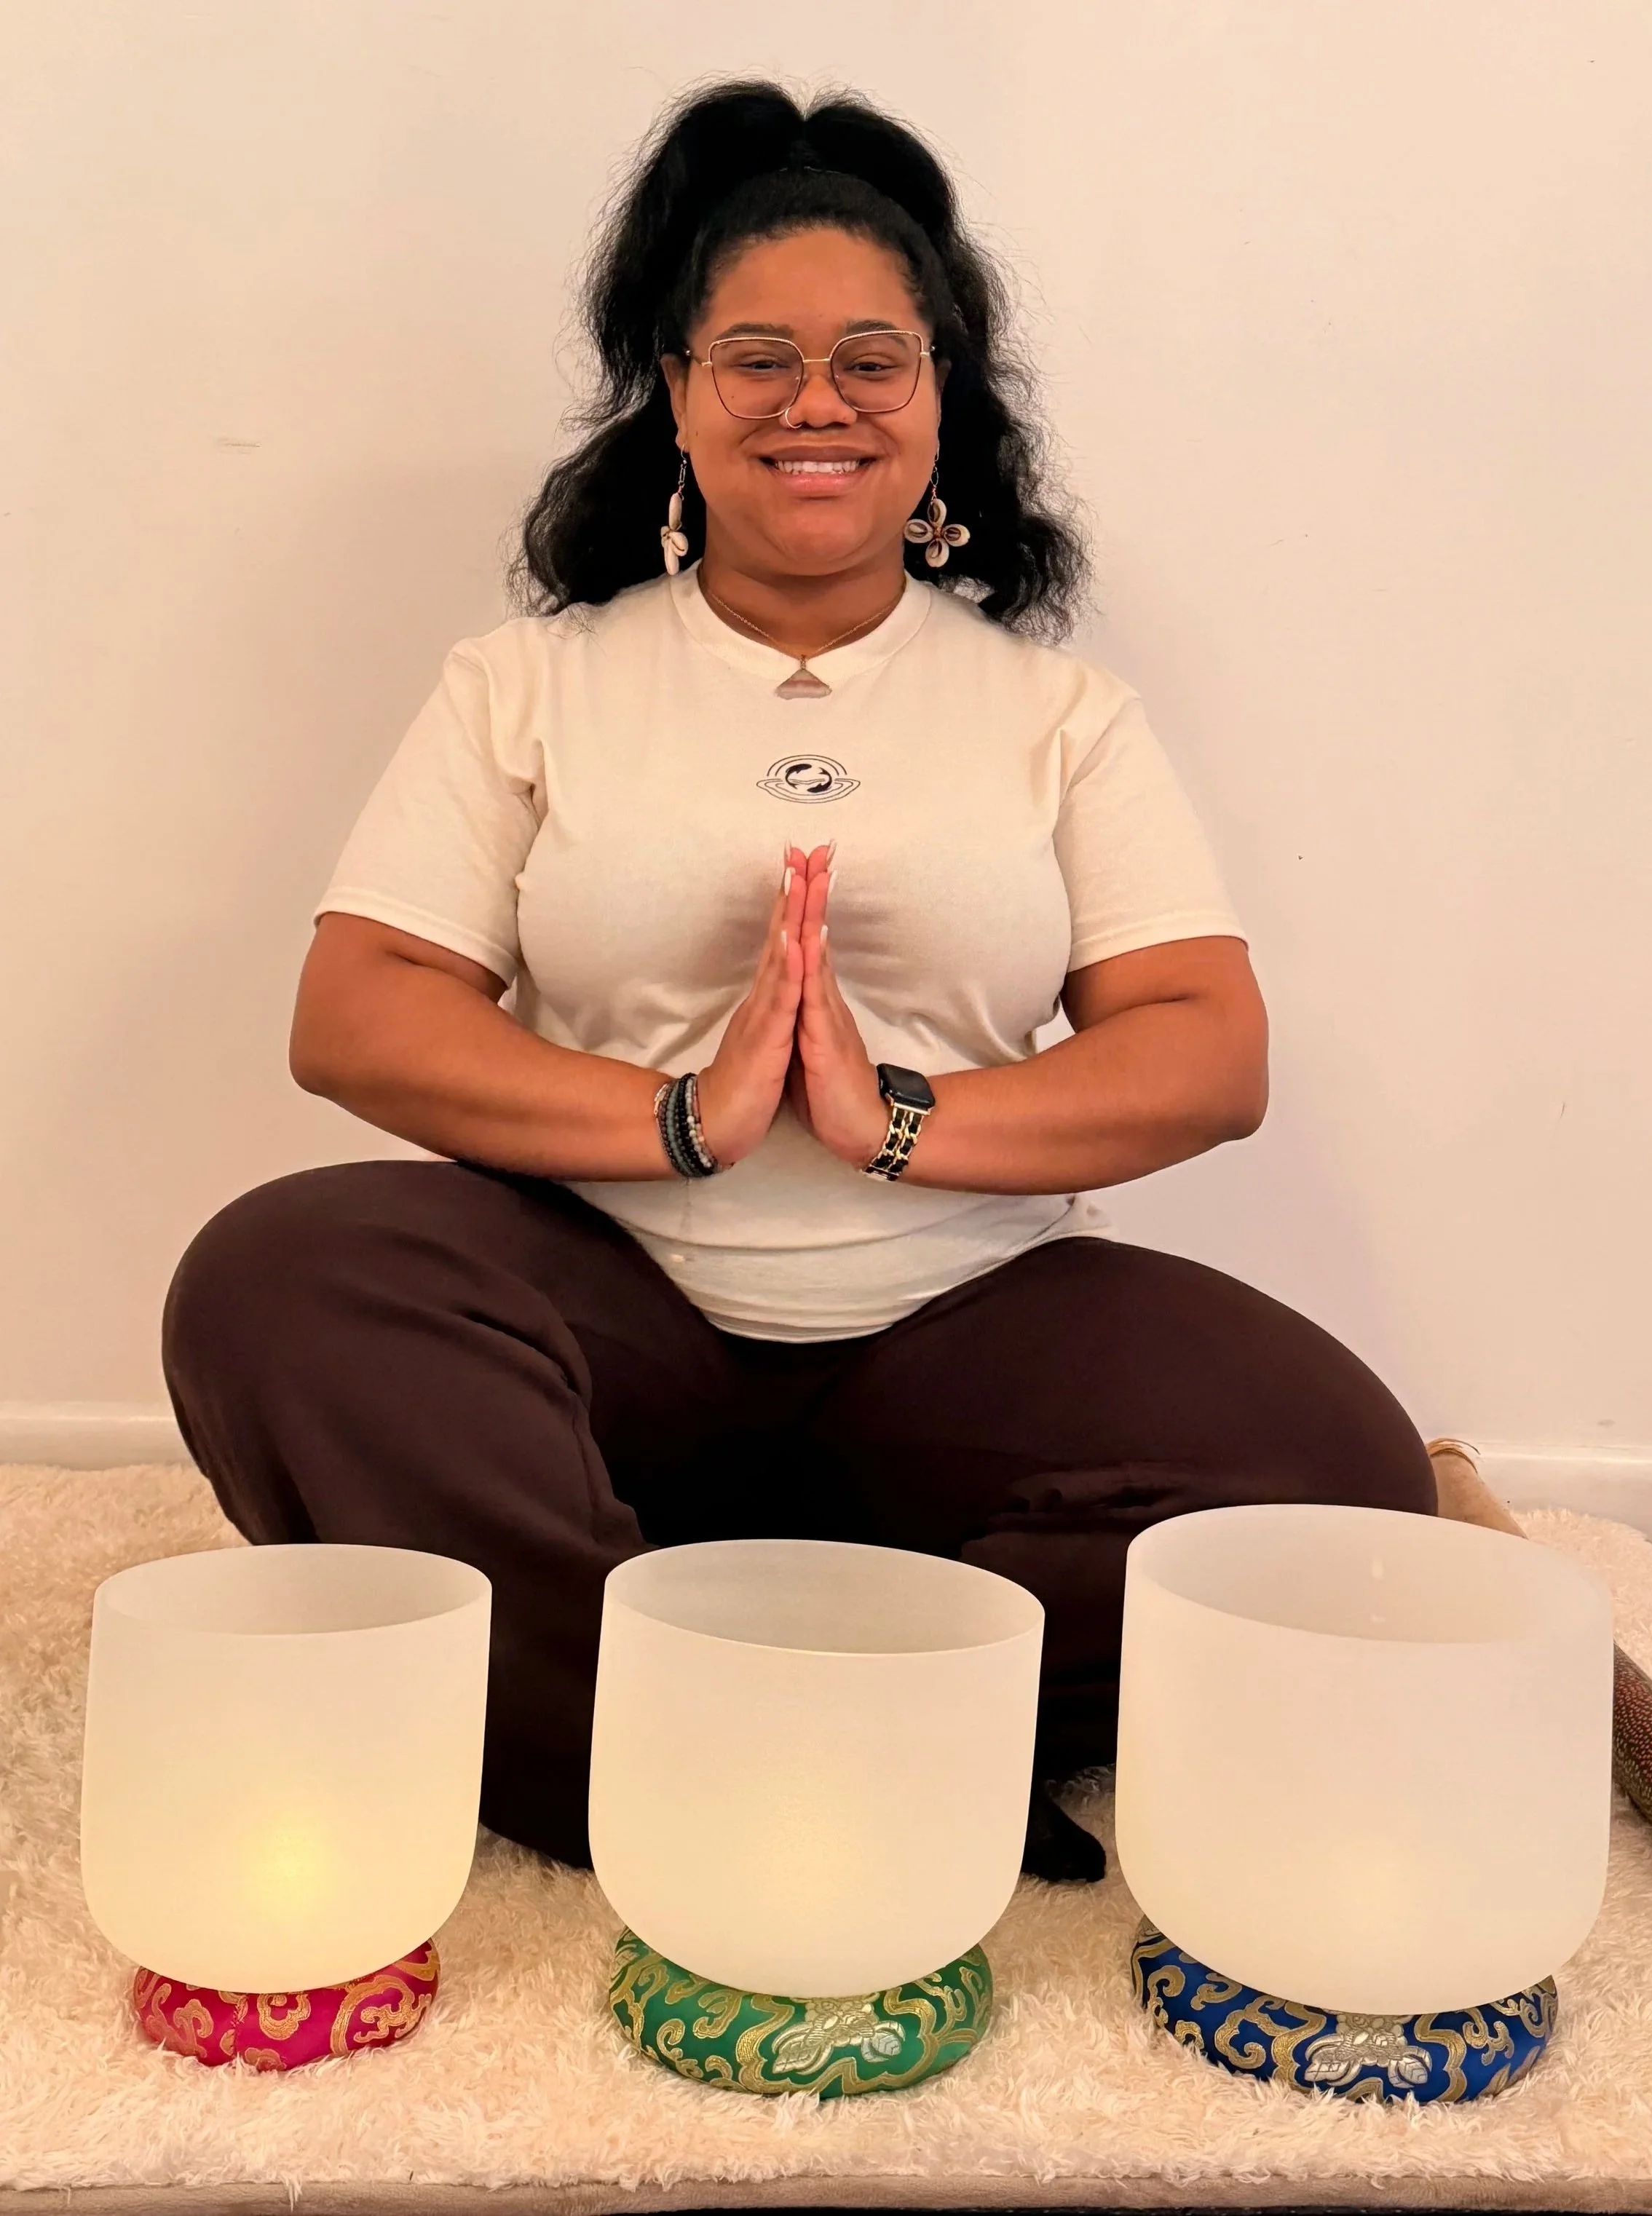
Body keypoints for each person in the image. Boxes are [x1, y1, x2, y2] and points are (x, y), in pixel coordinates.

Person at [162, 79, 1438, 1888]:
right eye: (755, 358)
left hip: (957, 1339)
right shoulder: (528, 686)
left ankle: (750, 1695)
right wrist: (672, 1118)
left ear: (939, 410)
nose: (815, 402)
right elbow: (358, 1001)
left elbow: (1204, 1046)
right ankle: (727, 1744)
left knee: (1342, 1476)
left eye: (871, 361)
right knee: (279, 1281)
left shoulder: (1052, 713)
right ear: (676, 400)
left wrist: (900, 1117)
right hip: (601, 1335)